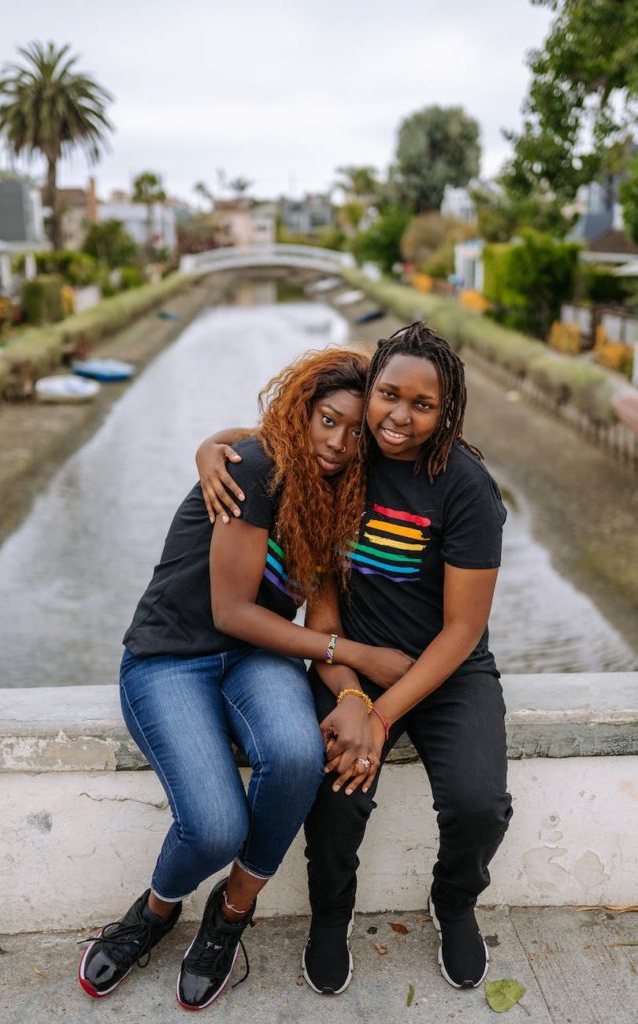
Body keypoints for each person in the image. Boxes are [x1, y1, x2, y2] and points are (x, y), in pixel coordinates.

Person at [77, 347, 411, 1012]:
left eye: (353, 432)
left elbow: (317, 616)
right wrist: (364, 656)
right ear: (301, 412)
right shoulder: (257, 467)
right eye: (326, 420)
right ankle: (155, 911)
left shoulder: (330, 498)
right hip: (170, 656)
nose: (338, 442)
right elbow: (232, 611)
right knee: (211, 828)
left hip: (253, 659)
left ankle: (230, 915)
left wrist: (350, 693)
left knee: (293, 755)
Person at [196, 322, 512, 996]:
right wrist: (349, 697)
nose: (399, 416)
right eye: (388, 395)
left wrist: (383, 715)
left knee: (478, 803)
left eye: (421, 405)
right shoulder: (346, 457)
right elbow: (325, 608)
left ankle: (453, 903)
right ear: (369, 393)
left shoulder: (463, 486)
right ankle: (329, 918)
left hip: (446, 672)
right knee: (335, 799)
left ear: (445, 410)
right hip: (353, 667)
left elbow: (461, 629)